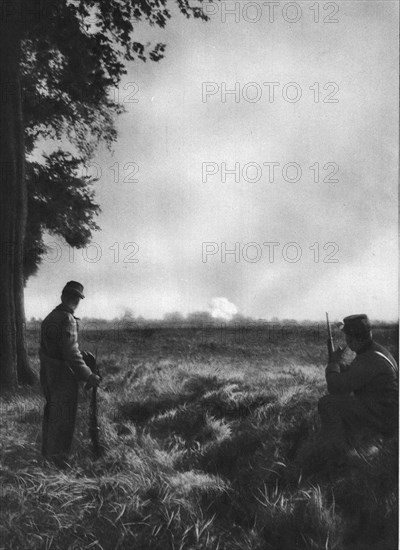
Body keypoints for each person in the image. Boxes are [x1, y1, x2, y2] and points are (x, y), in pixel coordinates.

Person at [318, 314, 398, 460]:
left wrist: (333, 365)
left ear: (350, 339)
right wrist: (340, 366)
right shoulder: (377, 351)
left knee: (327, 403)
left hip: (383, 419)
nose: (347, 342)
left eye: (348, 338)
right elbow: (357, 372)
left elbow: (335, 388)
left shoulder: (369, 358)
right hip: (385, 412)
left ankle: (343, 455)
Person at [40, 281, 101, 467]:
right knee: (65, 419)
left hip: (48, 374)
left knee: (52, 414)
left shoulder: (49, 317)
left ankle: (48, 458)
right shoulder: (67, 319)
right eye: (75, 298)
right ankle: (59, 462)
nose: (75, 301)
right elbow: (71, 353)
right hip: (63, 376)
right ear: (69, 298)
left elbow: (54, 348)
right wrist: (89, 375)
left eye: (76, 298)